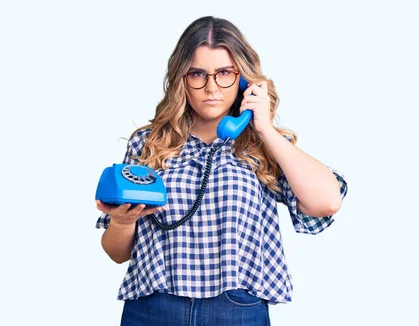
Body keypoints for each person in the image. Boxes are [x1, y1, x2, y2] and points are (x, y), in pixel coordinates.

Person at [95, 15, 348, 325]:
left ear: (244, 79)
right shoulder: (149, 143)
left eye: (225, 73)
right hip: (153, 308)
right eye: (197, 74)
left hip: (235, 309)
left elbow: (327, 202)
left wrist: (265, 128)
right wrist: (122, 221)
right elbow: (117, 252)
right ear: (181, 79)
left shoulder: (263, 145)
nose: (211, 87)